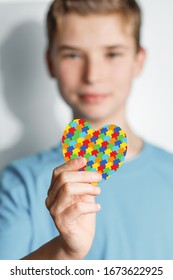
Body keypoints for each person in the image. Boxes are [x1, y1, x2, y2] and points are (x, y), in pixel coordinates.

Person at [0, 0, 173, 260]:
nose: (92, 75)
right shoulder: (19, 183)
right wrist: (64, 252)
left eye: (112, 54)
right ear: (50, 63)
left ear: (138, 61)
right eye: (73, 54)